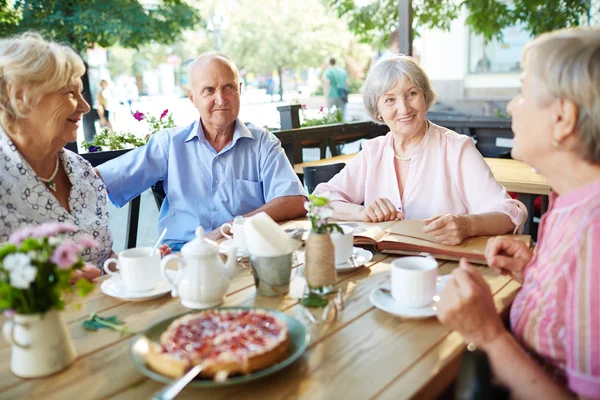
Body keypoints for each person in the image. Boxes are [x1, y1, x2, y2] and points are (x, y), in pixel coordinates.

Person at [436, 27, 600, 399]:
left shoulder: (595, 234)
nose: (511, 106)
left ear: (563, 118)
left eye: (523, 93)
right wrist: (534, 272)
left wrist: (488, 335)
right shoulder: (568, 201)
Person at [96, 52, 307, 251]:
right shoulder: (169, 144)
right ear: (192, 98)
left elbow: (294, 200)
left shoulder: (262, 143)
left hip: (243, 251)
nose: (221, 99)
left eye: (229, 87)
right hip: (182, 256)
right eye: (209, 90)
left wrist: (233, 227)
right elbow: (99, 181)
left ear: (240, 90)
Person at [313, 55, 527, 245]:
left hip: (445, 272)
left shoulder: (456, 148)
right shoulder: (373, 152)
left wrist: (468, 225)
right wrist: (362, 212)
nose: (404, 108)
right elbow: (320, 199)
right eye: (390, 100)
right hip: (381, 270)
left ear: (425, 97)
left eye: (412, 94)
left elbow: (509, 213)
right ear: (378, 111)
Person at [0, 33, 112, 279]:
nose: (85, 106)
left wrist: (131, 266)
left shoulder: (81, 169)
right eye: (70, 93)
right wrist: (49, 280)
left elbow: (103, 256)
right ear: (20, 95)